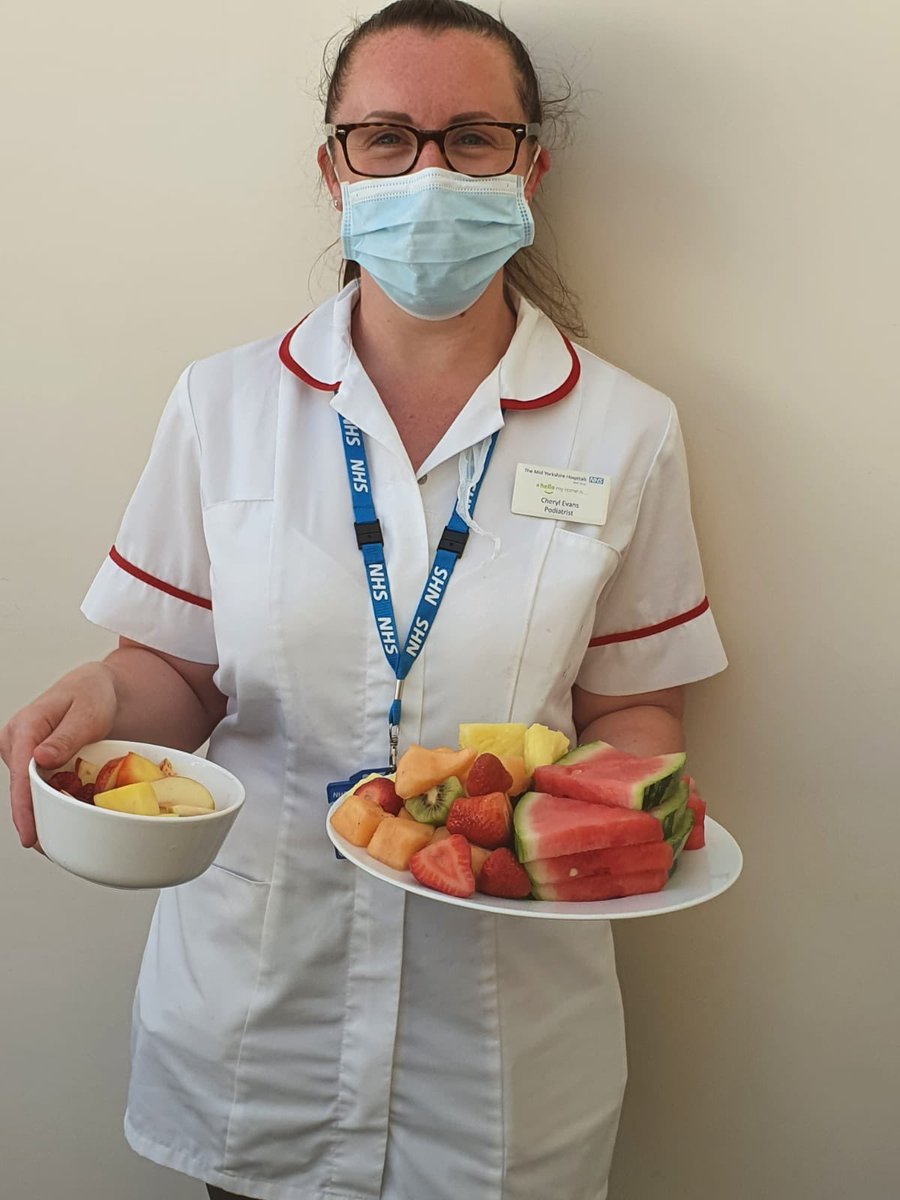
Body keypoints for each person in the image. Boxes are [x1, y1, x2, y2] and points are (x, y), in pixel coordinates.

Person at [1, 2, 727, 1198]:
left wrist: (603, 831)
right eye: (385, 137)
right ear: (332, 168)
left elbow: (640, 722)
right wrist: (96, 698)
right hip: (259, 1019)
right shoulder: (222, 403)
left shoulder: (626, 429)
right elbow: (172, 676)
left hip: (497, 1041)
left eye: (472, 138)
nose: (428, 170)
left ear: (530, 165)